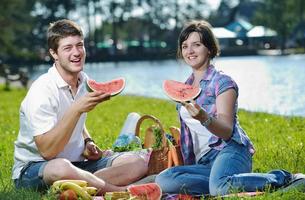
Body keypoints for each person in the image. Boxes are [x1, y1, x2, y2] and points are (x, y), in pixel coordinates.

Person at [155, 20, 305, 196]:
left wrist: (205, 118)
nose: (190, 51)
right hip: (204, 162)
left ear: (209, 49)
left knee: (219, 187)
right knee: (163, 180)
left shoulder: (223, 83)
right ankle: (224, 182)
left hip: (230, 150)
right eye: (185, 46)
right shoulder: (185, 86)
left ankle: (282, 178)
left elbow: (226, 131)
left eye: (197, 44)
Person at [12, 19, 148, 193]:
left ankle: (76, 186)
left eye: (80, 45)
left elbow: (77, 123)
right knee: (60, 168)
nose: (76, 53)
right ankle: (119, 191)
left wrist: (88, 141)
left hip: (78, 164)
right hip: (35, 169)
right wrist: (76, 109)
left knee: (137, 163)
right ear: (54, 53)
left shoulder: (83, 81)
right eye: (67, 48)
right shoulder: (42, 90)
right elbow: (47, 151)